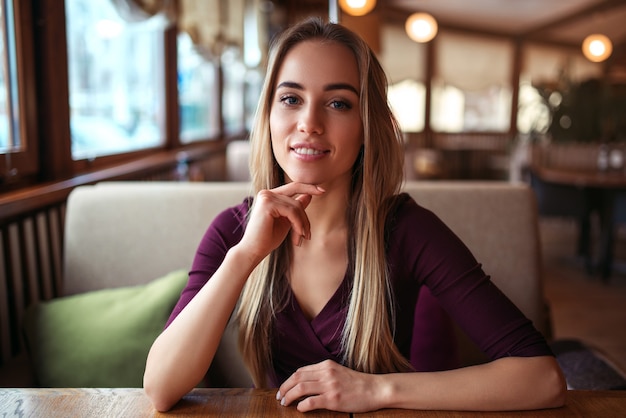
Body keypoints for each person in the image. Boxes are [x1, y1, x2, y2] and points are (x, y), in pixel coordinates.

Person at [143, 16, 566, 413]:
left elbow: (542, 379)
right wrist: (243, 257)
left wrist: (376, 389)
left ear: (367, 124)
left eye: (339, 104)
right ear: (269, 114)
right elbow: (161, 388)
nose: (309, 122)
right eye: (290, 98)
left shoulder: (407, 230)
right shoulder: (233, 231)